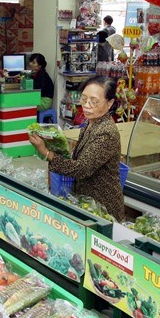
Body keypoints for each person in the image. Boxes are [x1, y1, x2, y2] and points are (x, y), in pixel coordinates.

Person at [28, 75, 124, 221]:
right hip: (86, 199)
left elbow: (81, 169)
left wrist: (46, 152)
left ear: (110, 103)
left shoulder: (106, 132)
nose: (87, 105)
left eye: (94, 101)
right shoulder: (90, 122)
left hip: (102, 206)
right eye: (84, 99)